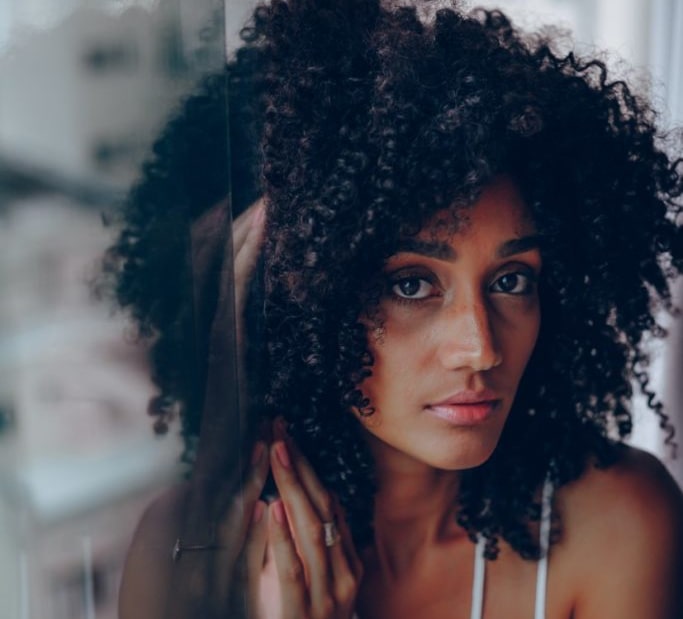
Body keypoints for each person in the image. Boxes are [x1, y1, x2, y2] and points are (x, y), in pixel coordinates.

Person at [104, 1, 683, 617]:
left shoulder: (620, 521)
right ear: (305, 299)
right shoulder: (182, 555)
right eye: (411, 285)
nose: (481, 347)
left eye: (511, 279)